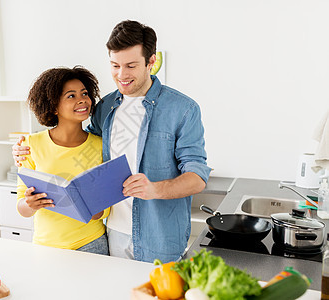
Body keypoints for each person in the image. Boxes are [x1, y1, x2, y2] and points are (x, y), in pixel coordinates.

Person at [13, 20, 211, 263]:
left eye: (131, 65)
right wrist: (23, 150)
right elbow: (80, 144)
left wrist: (154, 189)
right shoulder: (105, 107)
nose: (121, 75)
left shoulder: (182, 109)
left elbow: (198, 177)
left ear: (152, 62)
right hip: (112, 233)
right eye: (115, 65)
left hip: (160, 237)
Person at [16, 66, 109, 255]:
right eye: (71, 96)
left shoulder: (101, 145)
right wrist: (30, 204)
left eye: (84, 93)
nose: (82, 99)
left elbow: (106, 206)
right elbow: (21, 206)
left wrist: (95, 209)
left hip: (92, 243)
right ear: (53, 106)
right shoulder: (30, 144)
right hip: (45, 245)